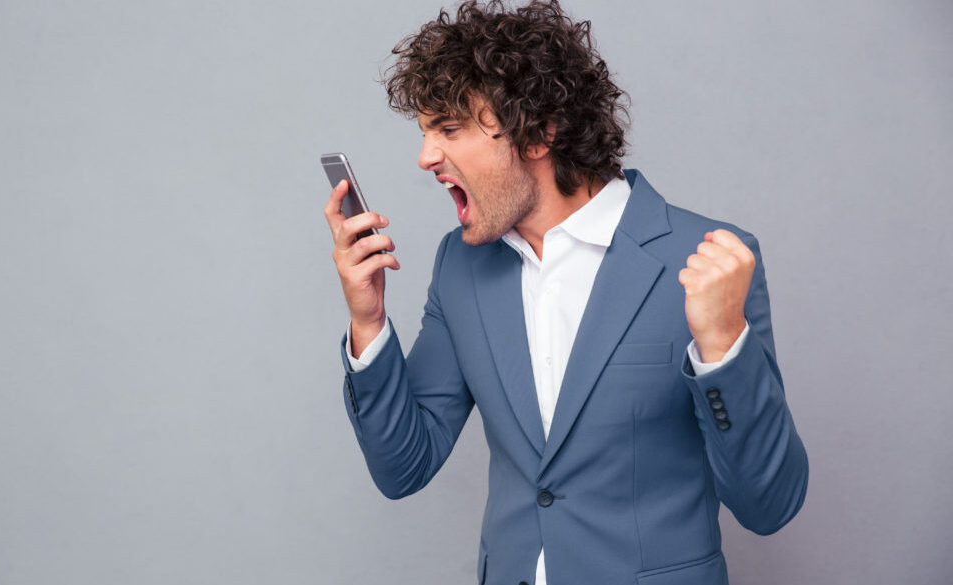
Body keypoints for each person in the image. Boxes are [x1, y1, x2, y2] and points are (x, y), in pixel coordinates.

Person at [322, 1, 808, 583]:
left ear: (540, 132)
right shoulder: (461, 264)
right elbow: (404, 466)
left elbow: (769, 505)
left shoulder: (707, 259)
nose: (426, 157)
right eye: (427, 132)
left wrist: (724, 347)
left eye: (449, 129)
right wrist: (368, 321)